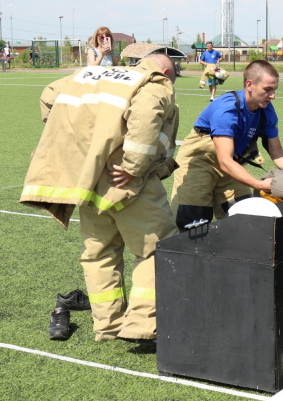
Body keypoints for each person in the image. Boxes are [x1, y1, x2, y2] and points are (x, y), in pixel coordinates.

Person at [20, 53, 180, 343]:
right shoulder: (153, 83)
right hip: (126, 184)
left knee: (98, 253)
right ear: (166, 69)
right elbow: (145, 118)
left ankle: (107, 325)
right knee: (156, 248)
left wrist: (78, 144)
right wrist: (133, 167)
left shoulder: (92, 75)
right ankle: (142, 325)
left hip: (88, 182)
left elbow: (49, 96)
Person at [170, 60, 283, 229]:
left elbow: (277, 152)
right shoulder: (228, 109)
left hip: (232, 162)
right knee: (192, 223)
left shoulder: (266, 109)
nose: (273, 95)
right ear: (249, 84)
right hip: (200, 161)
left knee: (243, 217)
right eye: (267, 89)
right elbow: (224, 160)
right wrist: (259, 184)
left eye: (274, 89)